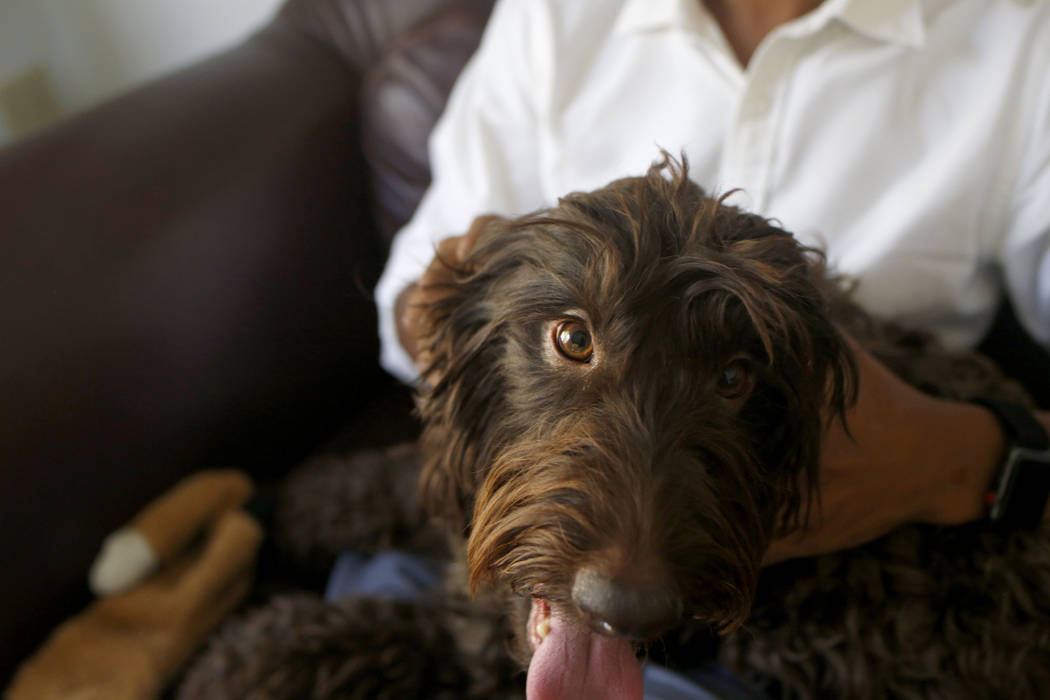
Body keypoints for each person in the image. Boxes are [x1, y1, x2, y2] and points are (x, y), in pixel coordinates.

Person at [375, 0, 1050, 560]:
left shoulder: (1023, 49)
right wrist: (451, 308)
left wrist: (959, 460)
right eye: (577, 340)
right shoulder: (559, 16)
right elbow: (415, 299)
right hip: (538, 564)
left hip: (852, 583)